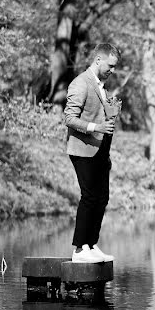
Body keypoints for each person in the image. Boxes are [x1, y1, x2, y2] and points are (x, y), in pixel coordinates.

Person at [64, 43, 121, 263]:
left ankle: (90, 244)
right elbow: (69, 118)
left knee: (102, 198)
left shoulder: (101, 86)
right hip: (82, 151)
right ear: (98, 60)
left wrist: (110, 115)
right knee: (89, 197)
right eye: (110, 65)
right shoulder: (80, 83)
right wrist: (96, 127)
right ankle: (79, 250)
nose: (112, 70)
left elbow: (98, 115)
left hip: (100, 151)